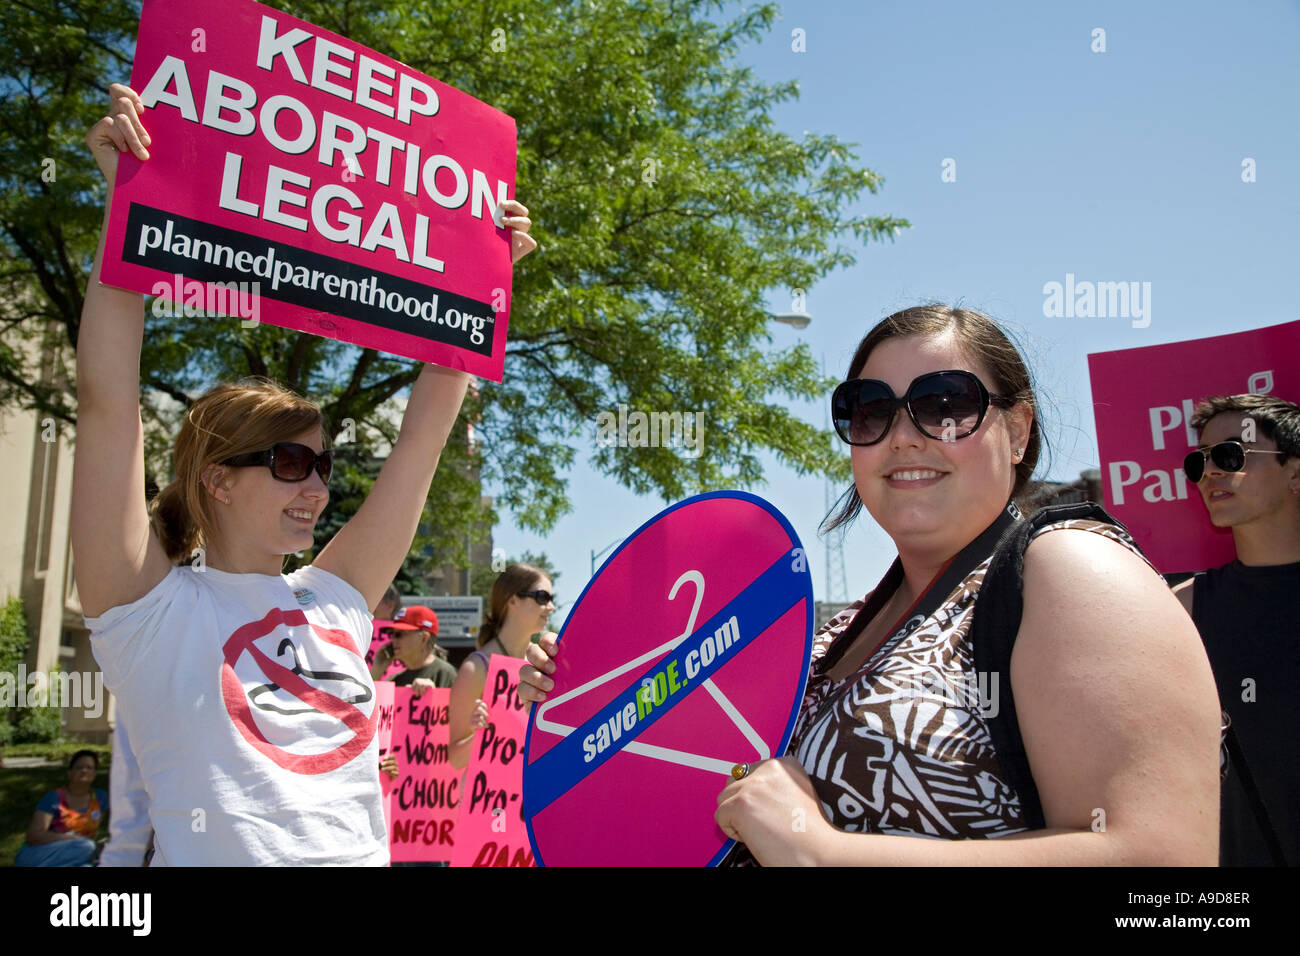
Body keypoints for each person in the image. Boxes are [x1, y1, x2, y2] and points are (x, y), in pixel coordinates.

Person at [521, 304, 1222, 865]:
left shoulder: (1065, 568)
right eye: (869, 409)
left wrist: (829, 855)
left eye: (944, 403)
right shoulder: (834, 632)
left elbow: (1162, 866)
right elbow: (693, 767)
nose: (903, 435)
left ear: (1017, 428)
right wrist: (583, 693)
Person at [72, 84, 535, 865]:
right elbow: (107, 404)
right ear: (217, 479)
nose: (317, 488)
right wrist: (127, 200)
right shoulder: (147, 611)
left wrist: (483, 276)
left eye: (321, 464)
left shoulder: (336, 599)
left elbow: (423, 439)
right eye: (289, 464)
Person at [1172, 394, 1300, 866]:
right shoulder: (1181, 610)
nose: (1210, 472)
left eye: (1232, 453)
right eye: (1198, 460)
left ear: (1295, 472)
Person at [449, 563, 555, 768]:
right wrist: (480, 734)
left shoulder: (543, 663)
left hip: (533, 794)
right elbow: (455, 760)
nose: (551, 607)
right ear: (513, 599)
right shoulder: (476, 668)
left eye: (551, 599)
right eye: (543, 598)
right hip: (490, 796)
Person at [16, 751, 109, 867]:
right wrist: (72, 838)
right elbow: (34, 836)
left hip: (76, 855)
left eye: (89, 768)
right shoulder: (53, 798)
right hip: (39, 854)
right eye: (79, 767)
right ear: (69, 773)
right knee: (88, 847)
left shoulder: (101, 798)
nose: (84, 771)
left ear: (95, 773)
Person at [372, 604, 458, 693]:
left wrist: (432, 694)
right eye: (391, 634)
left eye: (399, 634)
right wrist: (377, 669)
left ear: (424, 638)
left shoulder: (446, 674)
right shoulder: (395, 679)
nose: (392, 640)